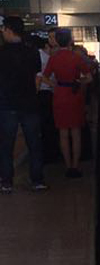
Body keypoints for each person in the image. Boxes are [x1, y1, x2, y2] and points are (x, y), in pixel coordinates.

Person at [0, 16, 46, 192]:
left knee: (6, 145)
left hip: (7, 104)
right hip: (29, 104)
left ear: (10, 30)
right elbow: (37, 77)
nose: (3, 32)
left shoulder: (1, 53)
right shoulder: (32, 52)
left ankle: (6, 182)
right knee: (34, 144)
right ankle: (37, 180)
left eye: (4, 29)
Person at [40, 28, 91, 178]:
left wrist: (54, 85)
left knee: (63, 133)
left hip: (59, 94)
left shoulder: (54, 58)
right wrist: (78, 81)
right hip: (74, 94)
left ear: (57, 40)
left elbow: (44, 77)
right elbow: (89, 77)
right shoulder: (76, 58)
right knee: (75, 133)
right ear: (70, 40)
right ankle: (76, 166)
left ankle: (67, 166)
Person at [31, 35, 59, 163]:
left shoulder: (47, 57)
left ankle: (48, 153)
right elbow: (40, 77)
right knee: (47, 124)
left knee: (46, 125)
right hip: (44, 93)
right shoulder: (43, 57)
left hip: (45, 94)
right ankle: (49, 154)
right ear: (47, 46)